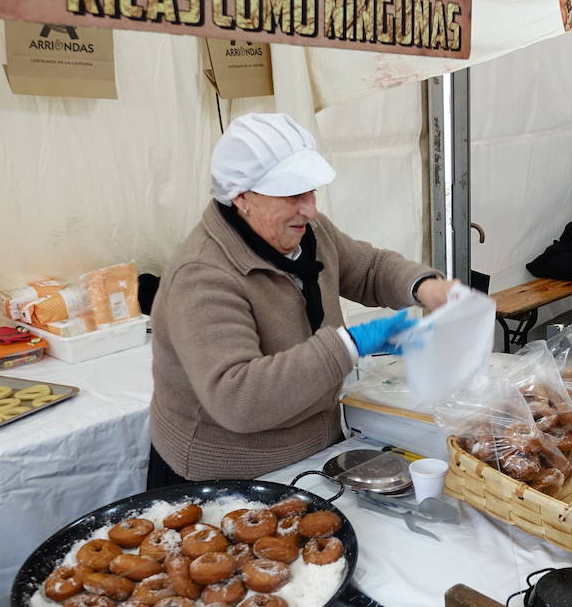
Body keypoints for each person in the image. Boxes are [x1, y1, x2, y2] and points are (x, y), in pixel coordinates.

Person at [148, 113, 456, 488]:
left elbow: (369, 268)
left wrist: (422, 285)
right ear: (242, 197)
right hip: (230, 472)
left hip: (315, 446)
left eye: (311, 190)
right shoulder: (201, 276)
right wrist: (352, 343)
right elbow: (238, 397)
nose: (309, 208)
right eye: (293, 194)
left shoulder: (310, 231)